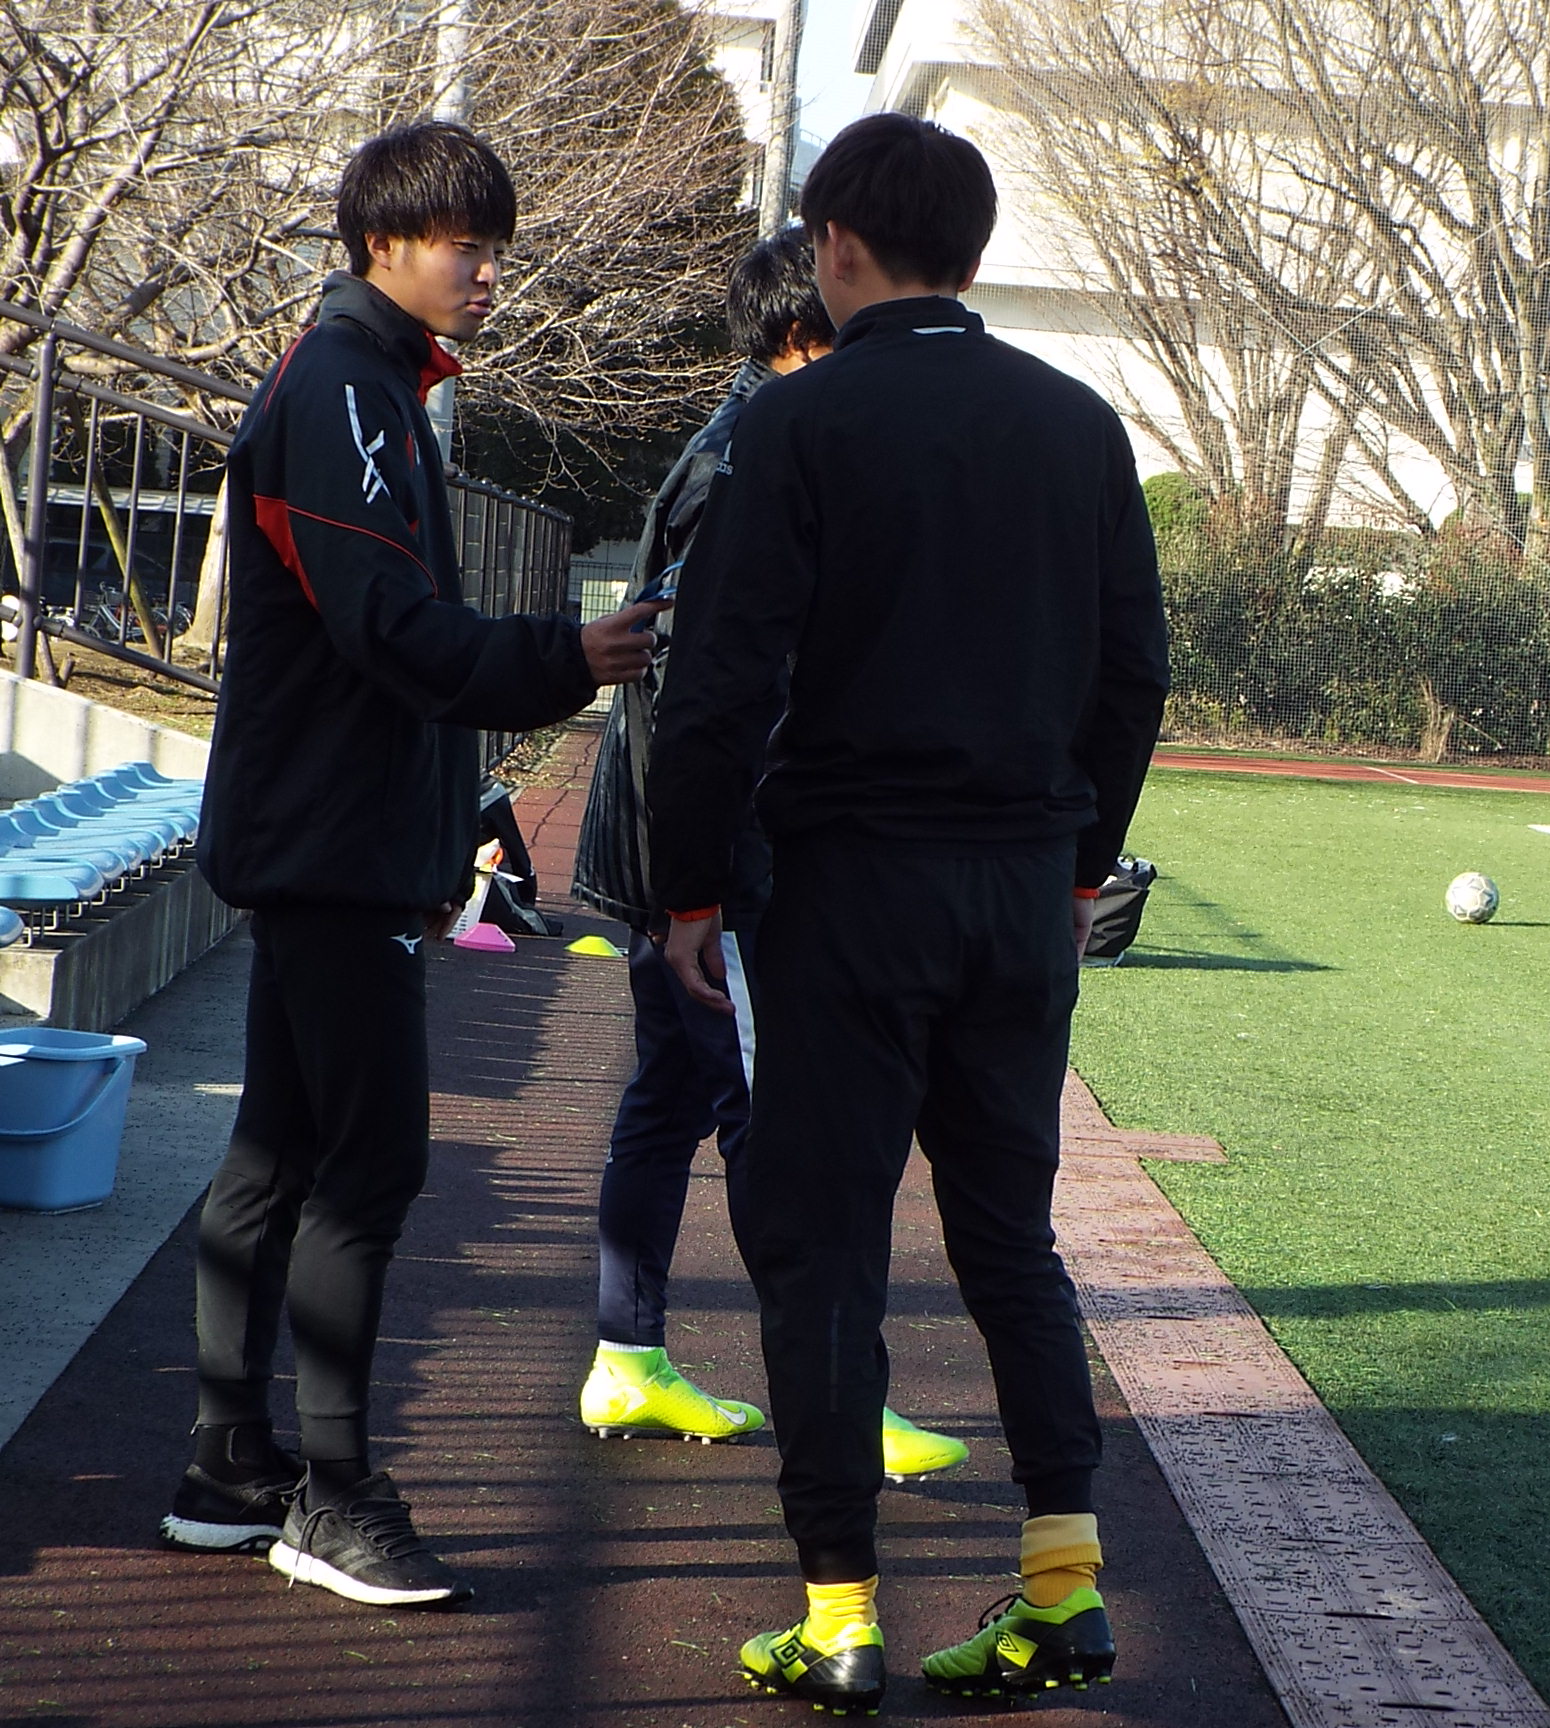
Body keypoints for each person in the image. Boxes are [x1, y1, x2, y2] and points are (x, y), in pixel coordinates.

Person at [646, 114, 1168, 1713]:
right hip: (1020, 891)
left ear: (838, 246)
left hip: (847, 889)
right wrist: (1080, 869)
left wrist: (687, 888)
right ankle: (1062, 1590)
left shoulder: (799, 423)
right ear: (975, 250)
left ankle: (839, 1614)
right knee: (1012, 1239)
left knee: (824, 1251)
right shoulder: (1078, 425)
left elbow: (717, 683)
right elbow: (1134, 676)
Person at [163, 121, 664, 1607]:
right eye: (466, 245)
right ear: (383, 242)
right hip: (331, 840)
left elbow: (380, 634)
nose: (489, 272)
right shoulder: (345, 386)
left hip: (324, 829)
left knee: (278, 1152)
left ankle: (228, 1468)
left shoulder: (370, 380)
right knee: (368, 1163)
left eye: (497, 247)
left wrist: (464, 795)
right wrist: (564, 656)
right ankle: (332, 1498)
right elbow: (389, 629)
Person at [568, 228, 967, 1481]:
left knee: (671, 1099)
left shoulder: (745, 437)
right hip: (714, 854)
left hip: (676, 838)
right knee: (775, 1125)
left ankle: (628, 1355)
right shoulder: (756, 449)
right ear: (805, 333)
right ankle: (835, 1402)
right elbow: (701, 679)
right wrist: (710, 871)